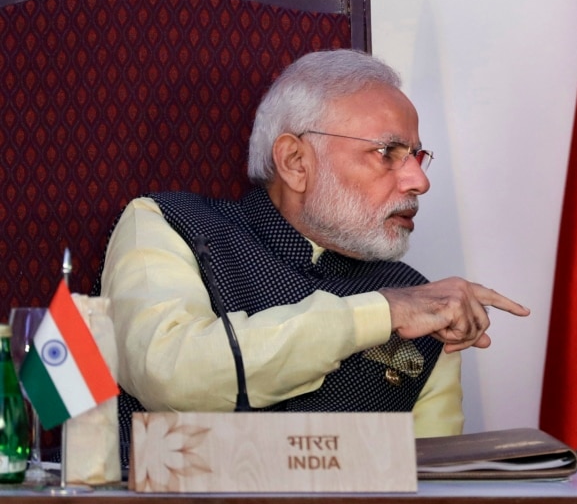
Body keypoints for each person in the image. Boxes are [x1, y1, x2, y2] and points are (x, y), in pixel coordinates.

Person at [100, 49, 530, 459]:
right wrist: (379, 314)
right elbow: (172, 374)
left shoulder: (422, 300)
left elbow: (431, 486)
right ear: (295, 162)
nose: (419, 181)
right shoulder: (168, 222)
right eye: (387, 153)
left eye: (416, 157)